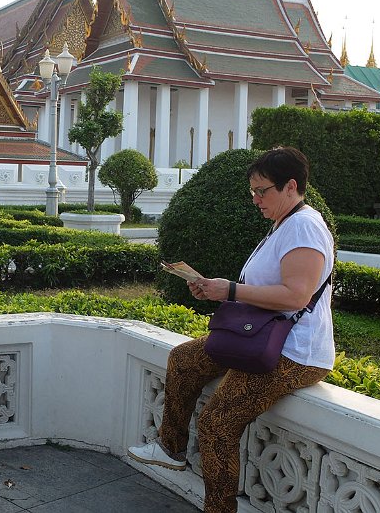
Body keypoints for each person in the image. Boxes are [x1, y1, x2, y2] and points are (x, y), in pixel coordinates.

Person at [127, 147, 335, 513]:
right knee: (184, 360)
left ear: (290, 186)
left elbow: (296, 296)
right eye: (253, 191)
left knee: (216, 423)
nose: (255, 199)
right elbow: (265, 290)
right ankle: (170, 448)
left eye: (262, 191)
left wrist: (231, 291)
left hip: (293, 353)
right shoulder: (283, 224)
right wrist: (214, 289)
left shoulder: (304, 226)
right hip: (263, 337)